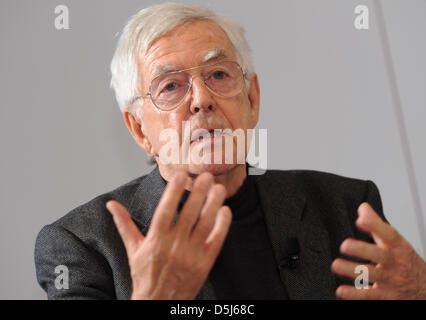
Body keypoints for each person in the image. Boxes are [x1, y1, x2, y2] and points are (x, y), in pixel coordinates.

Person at [35, 3, 426, 300]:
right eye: (170, 86)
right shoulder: (82, 245)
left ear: (252, 99)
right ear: (139, 129)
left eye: (218, 75)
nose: (202, 100)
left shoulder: (345, 207)